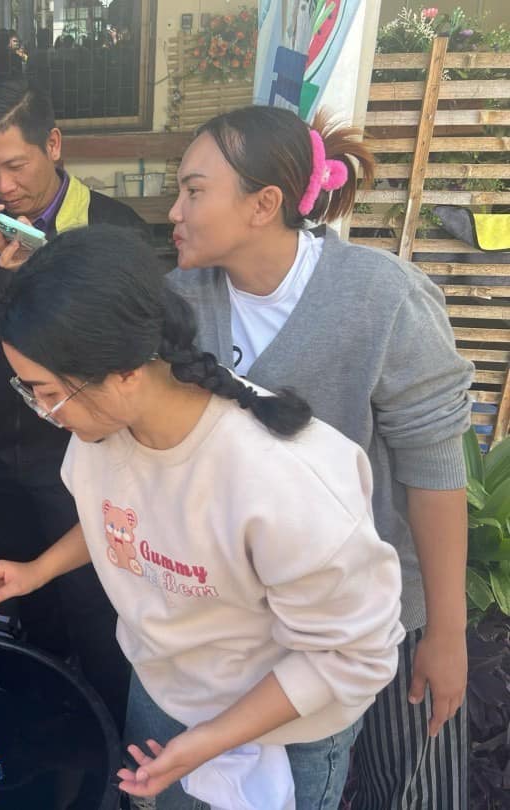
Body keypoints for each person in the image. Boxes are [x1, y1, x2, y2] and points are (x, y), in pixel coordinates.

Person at [0, 225, 406, 808]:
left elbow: (354, 655)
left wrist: (210, 740)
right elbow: (117, 519)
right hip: (164, 687)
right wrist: (38, 570)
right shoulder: (107, 429)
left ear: (125, 373)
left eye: (48, 392)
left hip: (282, 725)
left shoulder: (285, 484)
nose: (44, 412)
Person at [165, 105, 474, 809]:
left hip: (372, 604)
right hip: (241, 608)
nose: (174, 211)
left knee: (406, 778)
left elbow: (434, 472)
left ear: (263, 205)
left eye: (194, 191)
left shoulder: (381, 298)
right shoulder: (180, 300)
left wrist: (446, 633)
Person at [0, 78, 149, 728]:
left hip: (81, 463)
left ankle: (109, 738)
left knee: (99, 611)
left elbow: (139, 357)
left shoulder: (111, 229)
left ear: (53, 144)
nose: (4, 185)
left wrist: (41, 279)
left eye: (15, 165)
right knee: (32, 605)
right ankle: (51, 723)